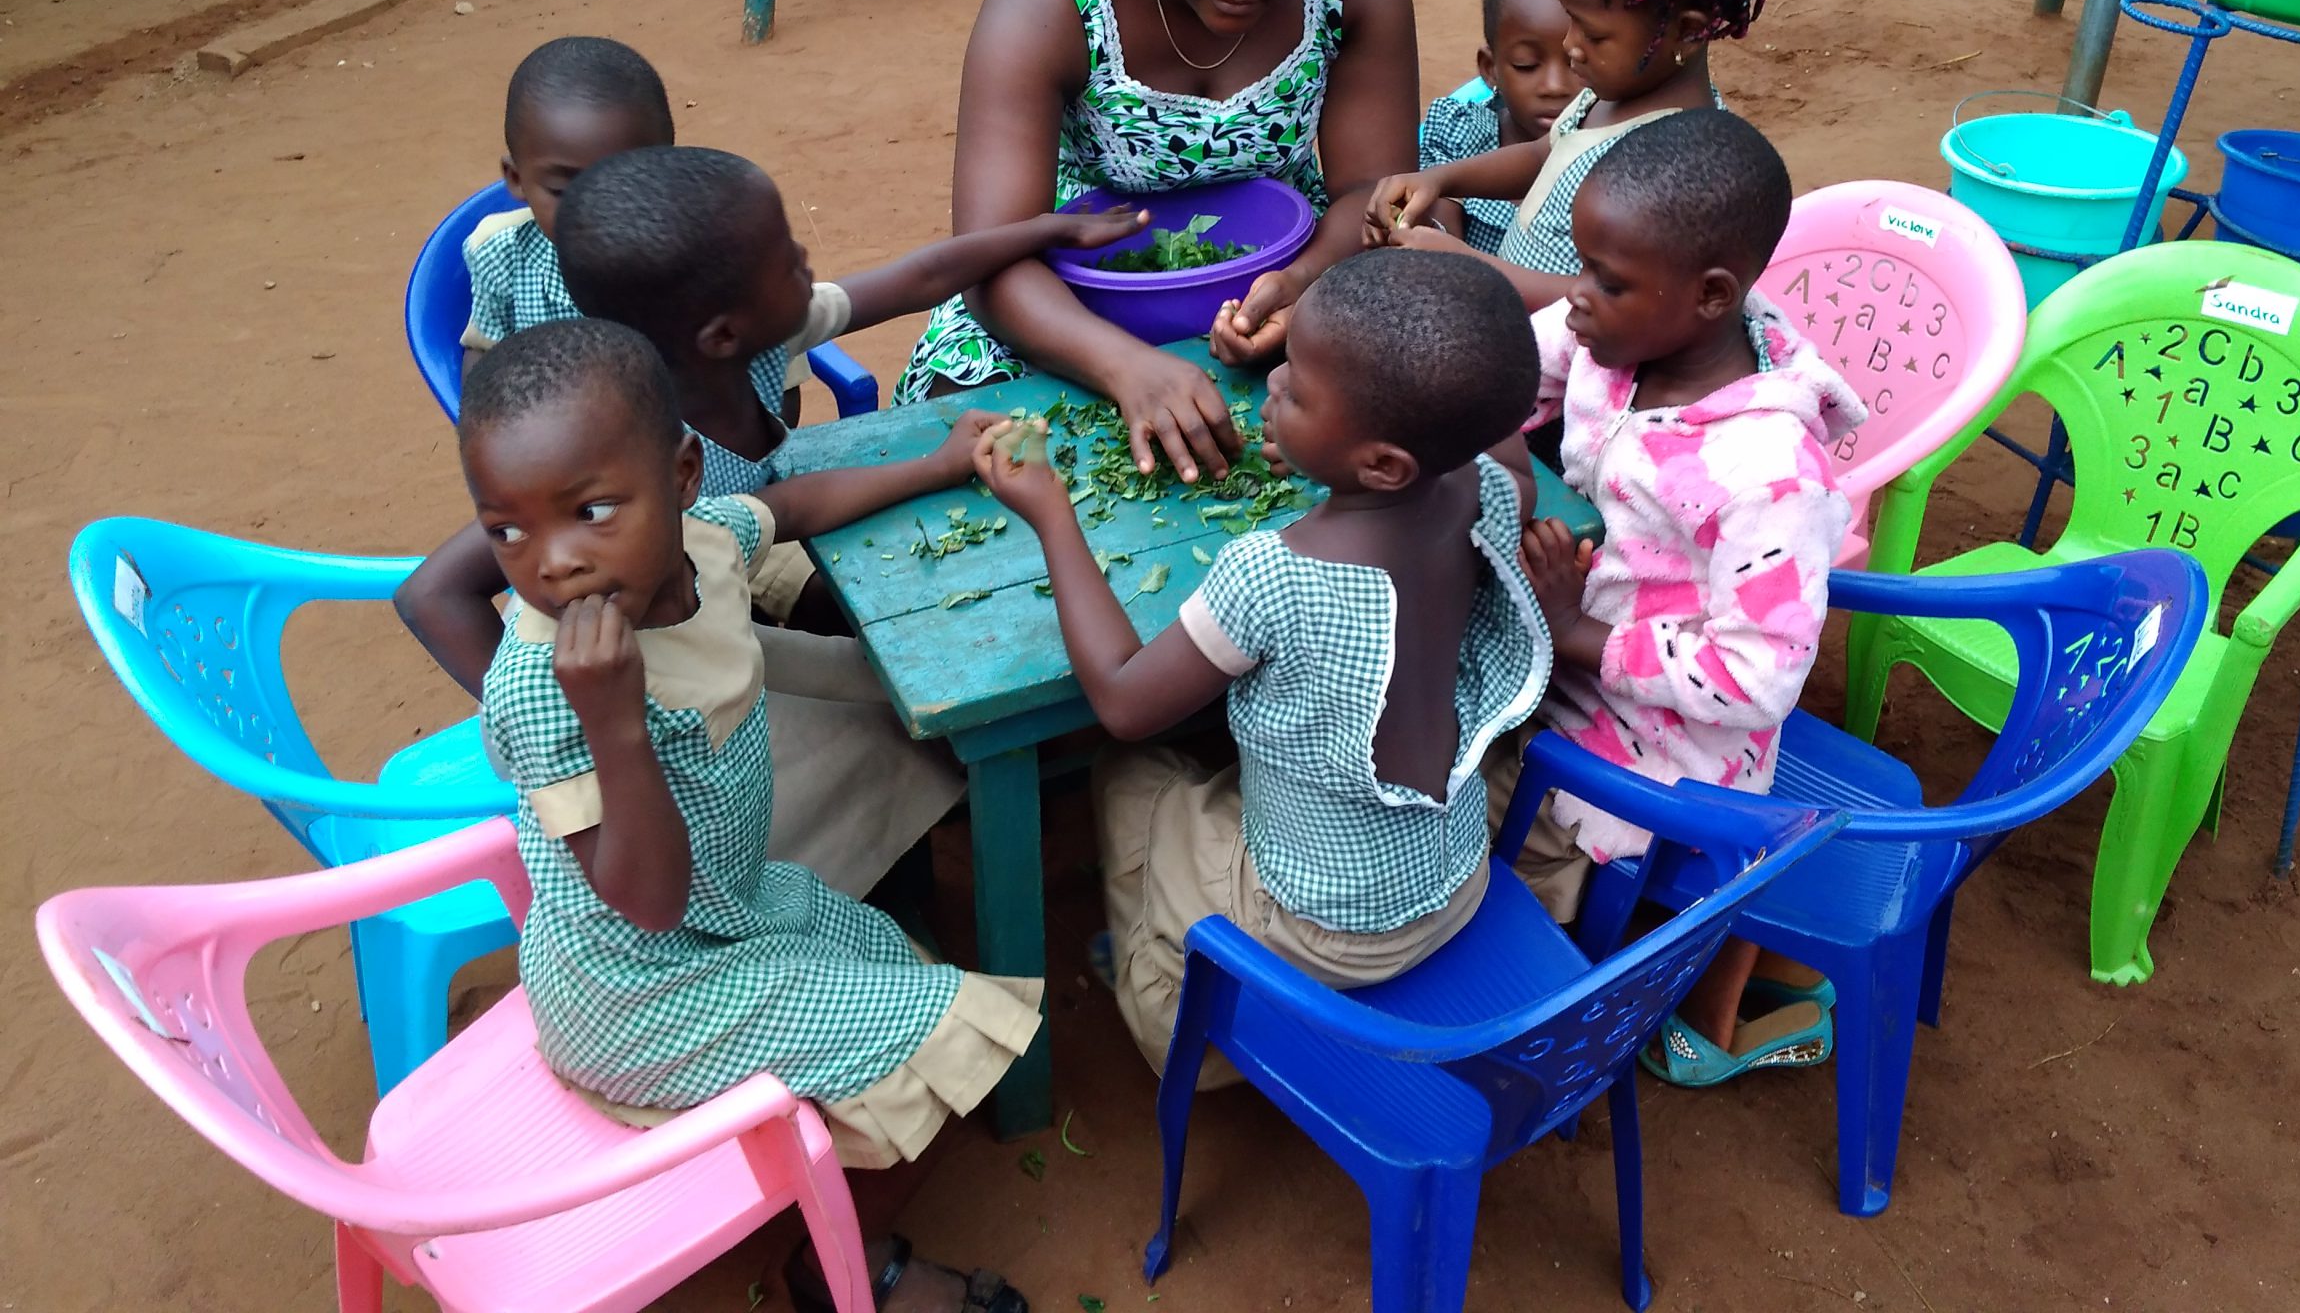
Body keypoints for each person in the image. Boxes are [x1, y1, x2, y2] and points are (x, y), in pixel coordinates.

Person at [439, 320, 1034, 1313]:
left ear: (681, 477)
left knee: (902, 960)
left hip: (737, 907)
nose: (554, 564)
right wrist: (615, 722)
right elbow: (647, 902)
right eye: (507, 531)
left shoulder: (705, 544)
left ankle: (802, 1171)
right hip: (637, 988)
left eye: (592, 511)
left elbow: (790, 506)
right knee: (941, 1032)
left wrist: (938, 464)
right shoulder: (546, 689)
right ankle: (839, 1262)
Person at [973, 252, 1550, 1080]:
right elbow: (1510, 458)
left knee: (1131, 777)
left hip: (1325, 930)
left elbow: (1124, 703)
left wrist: (1052, 514)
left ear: (1385, 464)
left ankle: (1172, 1012)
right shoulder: (1480, 493)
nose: (1273, 384)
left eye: (1301, 392)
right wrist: (1335, 453)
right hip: (1456, 880)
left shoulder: (1272, 575)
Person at [896, 0, 1423, 489]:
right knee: (977, 462)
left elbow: (1374, 196)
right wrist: (1126, 367)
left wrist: (1300, 285)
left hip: (1288, 284)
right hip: (1064, 306)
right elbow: (990, 256)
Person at [1503, 109, 1866, 1087]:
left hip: (1661, 752)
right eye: (1581, 264)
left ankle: (1626, 992)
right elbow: (1511, 367)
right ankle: (1760, 960)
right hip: (1574, 652)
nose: (1575, 297)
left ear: (1711, 295)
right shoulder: (1624, 336)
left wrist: (1578, 634)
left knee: (1459, 806)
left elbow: (1757, 678)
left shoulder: (1766, 476)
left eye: (1605, 279)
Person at [555, 144, 1140, 631]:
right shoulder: (639, 455)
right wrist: (937, 466)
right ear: (723, 335)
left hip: (764, 521)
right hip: (699, 604)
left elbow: (924, 277)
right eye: (785, 261)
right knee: (877, 617)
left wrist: (1046, 228)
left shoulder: (756, 333)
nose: (803, 255)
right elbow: (788, 510)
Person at [1366, 0, 1777, 314]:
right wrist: (1439, 179)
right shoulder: (1613, 92)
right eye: (1570, 21)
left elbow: (1615, 303)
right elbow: (1545, 155)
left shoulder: (1675, 167)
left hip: (1568, 352)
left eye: (1594, 35)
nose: (1570, 45)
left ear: (1687, 30)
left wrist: (1467, 265)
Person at [460, 35, 675, 370]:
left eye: (627, 186)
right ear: (516, 179)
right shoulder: (502, 256)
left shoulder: (696, 258)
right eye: (563, 190)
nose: (597, 213)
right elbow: (484, 354)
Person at [1415, 0, 1579, 252]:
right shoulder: (1460, 135)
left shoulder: (1615, 149)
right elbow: (1440, 249)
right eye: (1526, 65)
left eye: (1576, 62)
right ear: (1490, 69)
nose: (1555, 87)